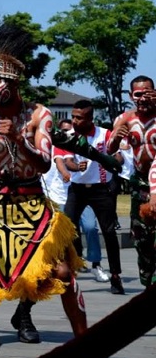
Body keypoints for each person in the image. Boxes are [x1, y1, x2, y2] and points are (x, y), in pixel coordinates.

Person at [0, 21, 104, 358]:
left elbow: (45, 161)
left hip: (35, 207)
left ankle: (86, 350)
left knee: (65, 273)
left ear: (13, 81)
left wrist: (20, 140)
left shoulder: (39, 115)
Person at [61, 99, 124, 295]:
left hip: (100, 189)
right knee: (66, 229)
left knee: (109, 232)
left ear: (90, 118)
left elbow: (119, 158)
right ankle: (67, 273)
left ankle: (115, 275)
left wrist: (108, 160)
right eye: (72, 117)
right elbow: (68, 160)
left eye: (79, 118)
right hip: (77, 189)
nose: (74, 121)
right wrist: (74, 167)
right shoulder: (69, 136)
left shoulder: (104, 135)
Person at [108, 74, 156, 287]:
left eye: (148, 93)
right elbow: (109, 150)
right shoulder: (125, 119)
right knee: (142, 239)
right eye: (138, 94)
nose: (143, 98)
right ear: (131, 96)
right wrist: (117, 136)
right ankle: (147, 282)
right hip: (139, 185)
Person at [48, 119, 107, 283]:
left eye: (70, 130)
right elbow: (61, 162)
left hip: (81, 194)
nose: (68, 134)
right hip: (60, 197)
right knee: (65, 233)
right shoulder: (59, 145)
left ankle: (96, 264)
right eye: (64, 131)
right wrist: (66, 173)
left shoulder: (81, 144)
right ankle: (68, 264)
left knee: (90, 227)